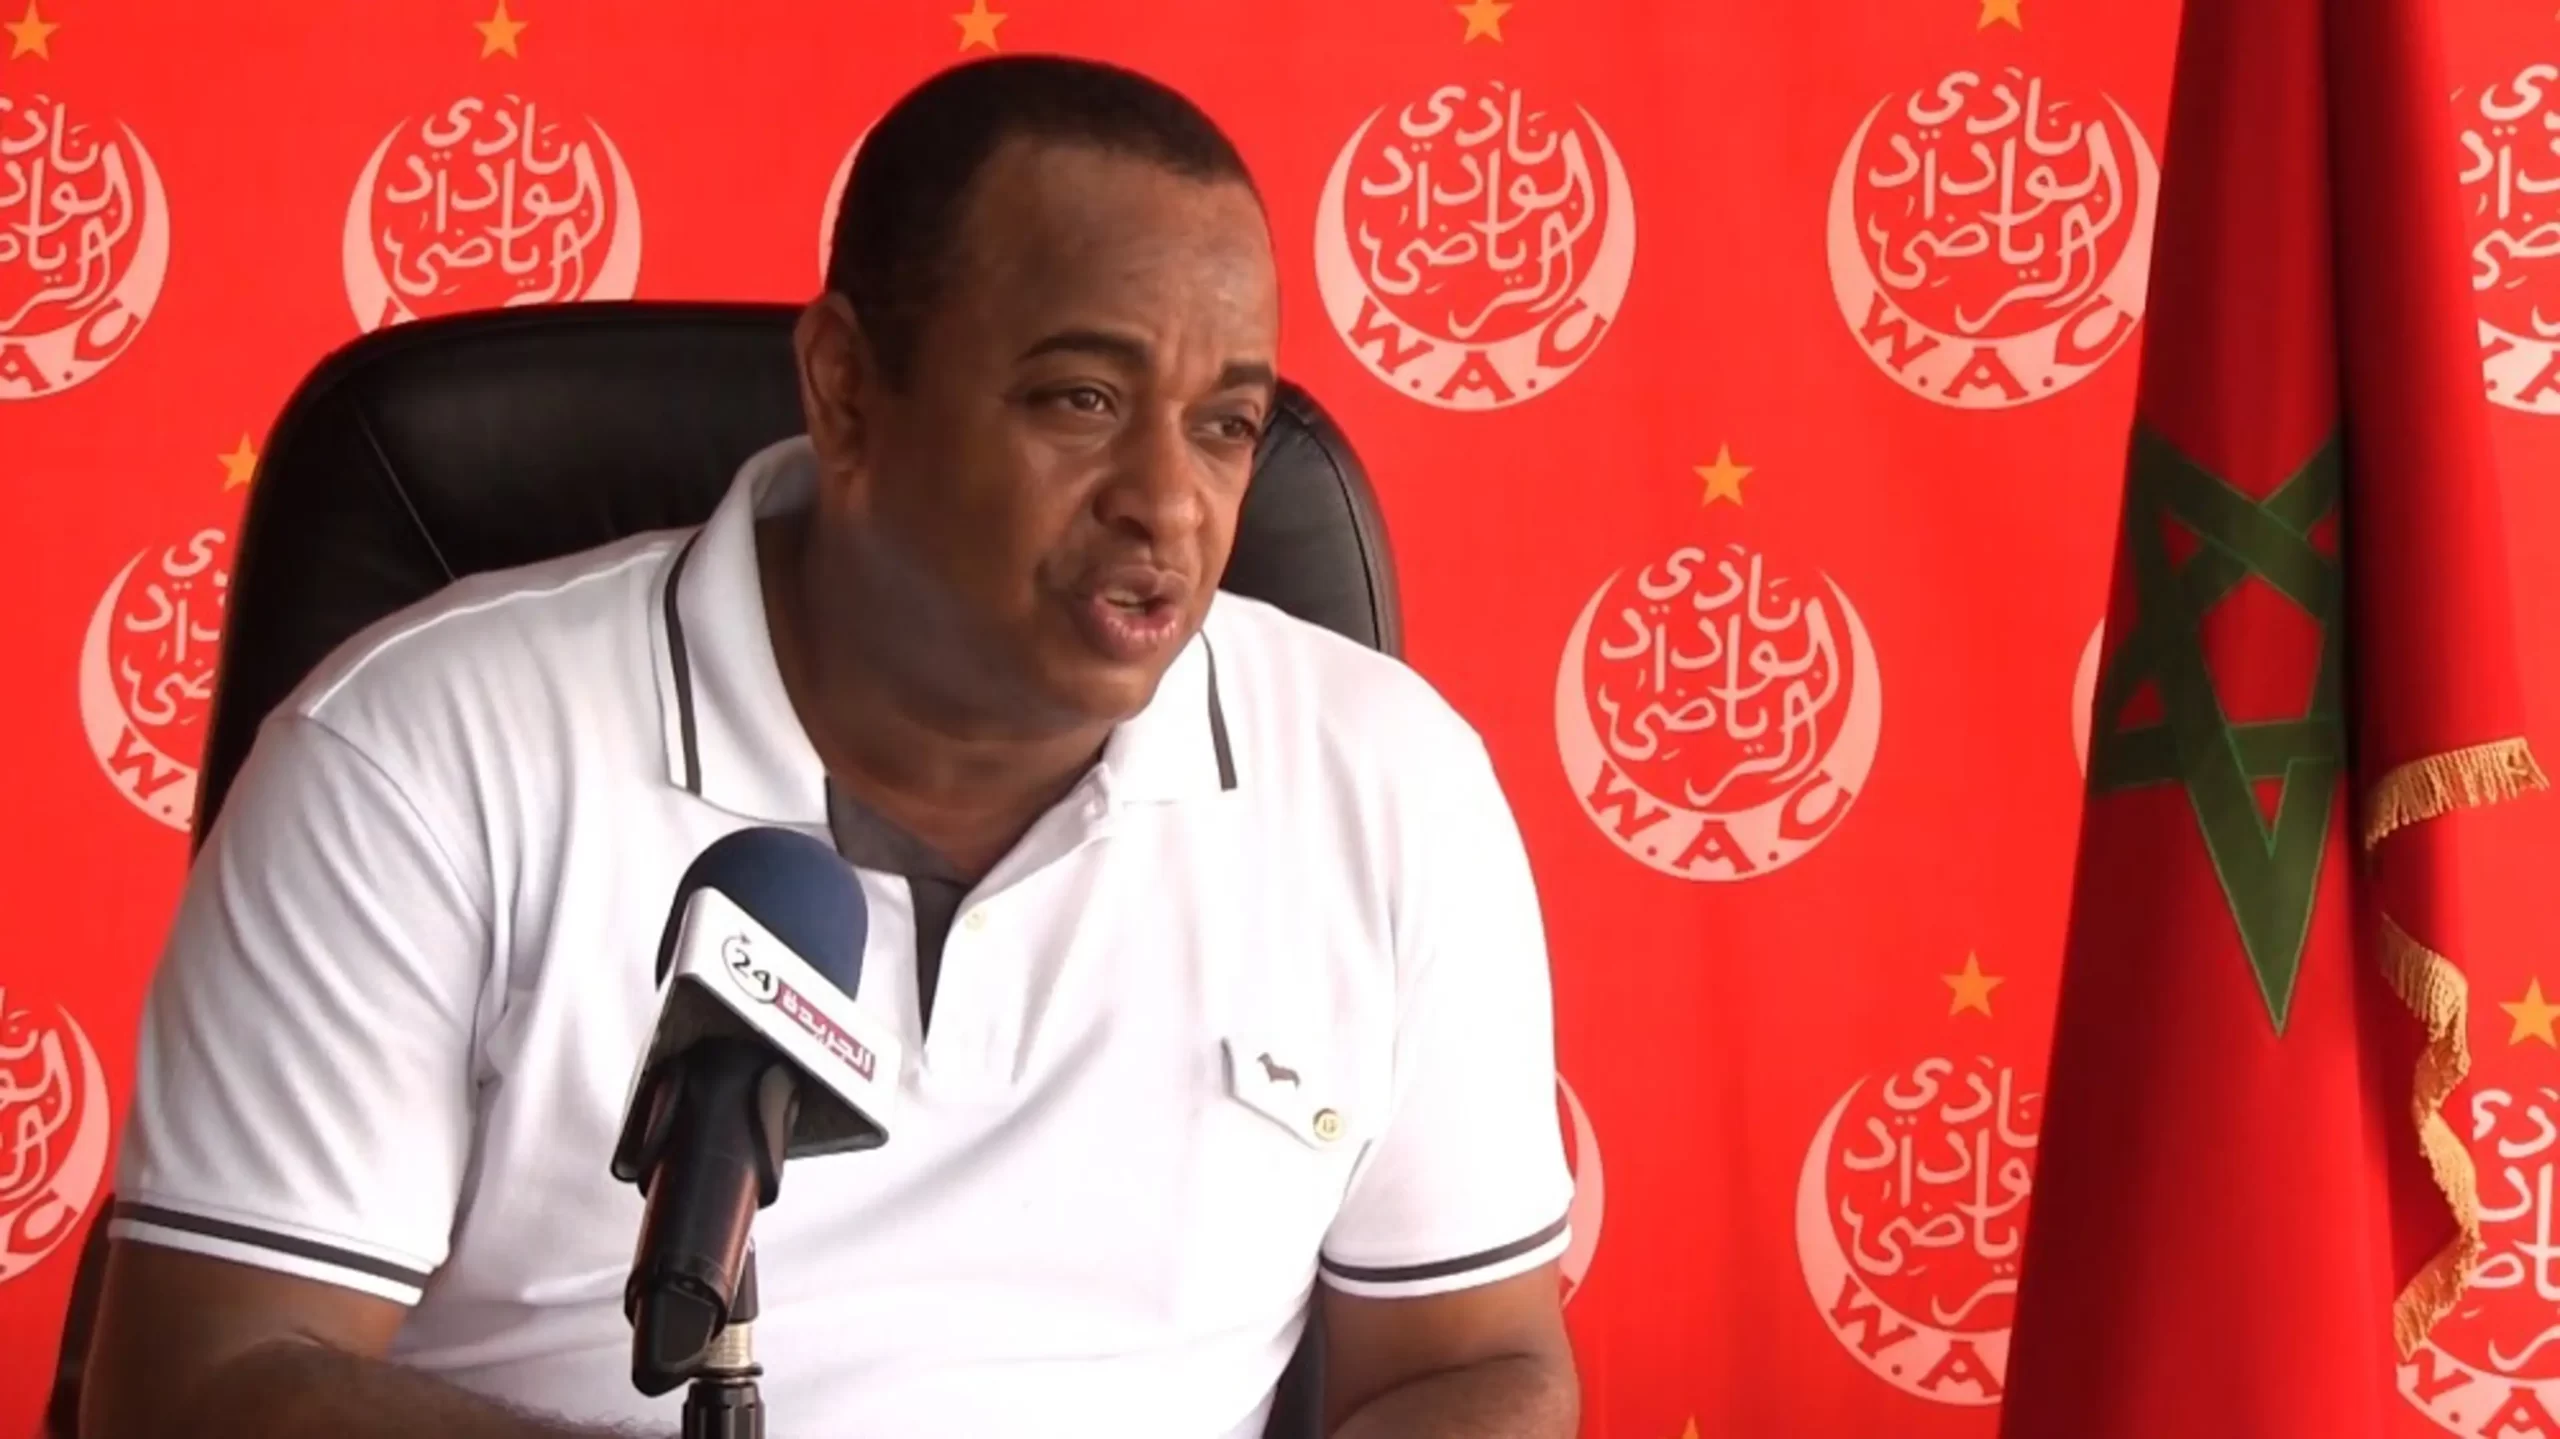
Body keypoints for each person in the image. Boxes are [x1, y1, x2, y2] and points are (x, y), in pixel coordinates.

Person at [79, 53, 1577, 1439]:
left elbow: (1476, 1363)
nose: (1168, 502)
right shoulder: (425, 753)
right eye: (1083, 400)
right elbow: (202, 1385)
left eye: (1227, 425)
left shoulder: (1387, 781)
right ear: (848, 389)